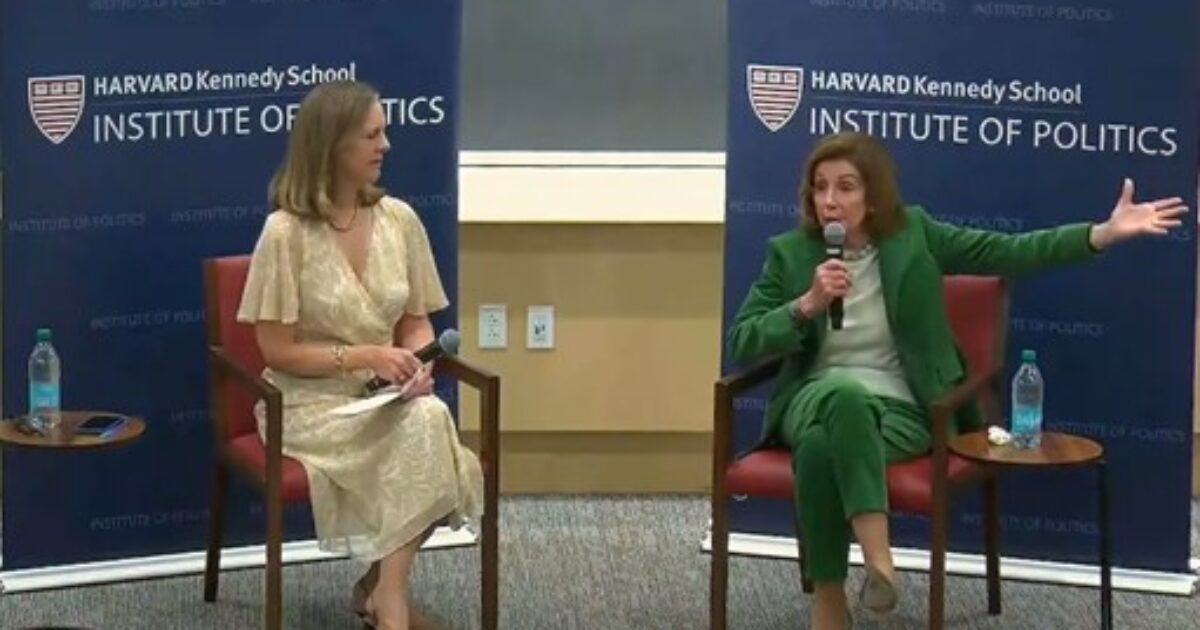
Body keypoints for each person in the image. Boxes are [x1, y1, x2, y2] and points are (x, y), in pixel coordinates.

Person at [726, 131, 1186, 630]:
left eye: (846, 186)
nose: (830, 200)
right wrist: (806, 304)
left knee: (819, 449)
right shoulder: (790, 254)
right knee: (842, 394)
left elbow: (1009, 251)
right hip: (812, 397)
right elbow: (744, 339)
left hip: (901, 411)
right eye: (820, 187)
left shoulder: (915, 235)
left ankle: (829, 602)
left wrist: (1101, 234)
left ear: (874, 195)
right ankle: (879, 558)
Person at [236, 80, 483, 630]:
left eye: (384, 132)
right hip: (307, 406)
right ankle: (387, 603)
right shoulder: (285, 233)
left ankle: (382, 592)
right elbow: (277, 350)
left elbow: (416, 322)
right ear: (332, 144)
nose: (385, 145)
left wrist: (416, 365)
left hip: (384, 399)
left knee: (430, 417)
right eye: (371, 135)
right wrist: (368, 355)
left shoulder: (400, 220)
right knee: (438, 448)